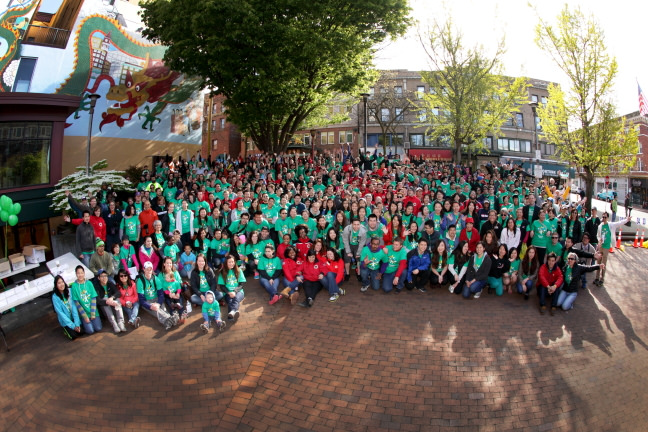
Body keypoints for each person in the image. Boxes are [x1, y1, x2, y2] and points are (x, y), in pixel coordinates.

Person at [137, 261, 177, 330]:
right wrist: (150, 306)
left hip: (156, 298)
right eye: (147, 269)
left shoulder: (156, 279)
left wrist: (158, 303)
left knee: (163, 309)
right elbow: (141, 299)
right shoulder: (140, 281)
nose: (149, 271)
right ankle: (171, 319)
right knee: (157, 311)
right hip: (147, 301)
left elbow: (161, 294)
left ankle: (168, 323)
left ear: (152, 269)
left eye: (150, 269)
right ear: (144, 269)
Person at [595, 212, 631, 286]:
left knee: (603, 263)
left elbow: (619, 223)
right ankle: (597, 278)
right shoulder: (600, 226)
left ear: (607, 218)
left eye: (605, 217)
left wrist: (627, 220)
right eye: (603, 217)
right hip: (601, 246)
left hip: (606, 247)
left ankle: (602, 279)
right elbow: (598, 235)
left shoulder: (611, 225)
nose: (604, 219)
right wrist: (599, 240)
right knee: (598, 262)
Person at [70, 265, 102, 335]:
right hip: (84, 313)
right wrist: (85, 316)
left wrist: (93, 314)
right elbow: (77, 303)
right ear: (76, 274)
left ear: (84, 273)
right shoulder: (74, 286)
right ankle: (84, 322)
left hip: (93, 311)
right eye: (78, 273)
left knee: (98, 328)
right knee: (90, 331)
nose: (80, 275)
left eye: (81, 273)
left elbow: (93, 299)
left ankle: (93, 320)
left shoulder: (89, 283)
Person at [157, 257, 187, 324]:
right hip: (167, 293)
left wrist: (177, 293)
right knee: (171, 304)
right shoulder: (161, 274)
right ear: (164, 264)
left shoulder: (175, 272)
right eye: (167, 263)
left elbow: (179, 282)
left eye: (170, 263)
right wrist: (169, 293)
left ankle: (182, 315)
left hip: (176, 291)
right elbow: (160, 286)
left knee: (179, 301)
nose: (169, 264)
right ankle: (174, 316)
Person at [52, 275, 82, 340]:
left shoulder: (70, 291)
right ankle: (65, 329)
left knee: (82, 331)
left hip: (73, 318)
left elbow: (74, 308)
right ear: (56, 285)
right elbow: (60, 313)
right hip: (65, 321)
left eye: (62, 282)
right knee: (73, 336)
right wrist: (73, 326)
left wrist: (77, 324)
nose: (61, 284)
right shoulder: (55, 297)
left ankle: (76, 325)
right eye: (59, 283)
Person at [218, 254, 246, 319]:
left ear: (234, 262)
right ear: (226, 263)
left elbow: (241, 284)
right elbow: (222, 286)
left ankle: (232, 313)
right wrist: (228, 292)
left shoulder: (239, 270)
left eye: (232, 262)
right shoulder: (222, 272)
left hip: (239, 292)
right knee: (230, 301)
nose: (231, 264)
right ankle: (233, 313)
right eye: (229, 262)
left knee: (235, 299)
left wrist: (235, 291)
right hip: (227, 293)